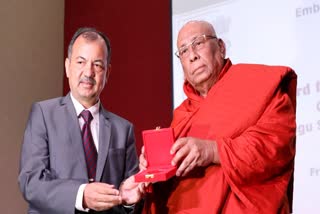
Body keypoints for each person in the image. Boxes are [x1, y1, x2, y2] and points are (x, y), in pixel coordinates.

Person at [139, 20, 297, 213]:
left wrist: (212, 151)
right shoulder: (181, 116)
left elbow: (274, 147)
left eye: (199, 43)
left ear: (221, 47)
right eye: (184, 51)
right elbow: (171, 188)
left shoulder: (260, 84)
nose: (193, 56)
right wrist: (153, 168)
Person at [18, 27, 144, 214]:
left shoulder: (123, 129)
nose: (89, 72)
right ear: (67, 67)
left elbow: (132, 200)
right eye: (81, 62)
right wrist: (81, 195)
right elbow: (31, 182)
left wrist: (128, 202)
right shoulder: (43, 114)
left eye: (98, 65)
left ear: (107, 73)